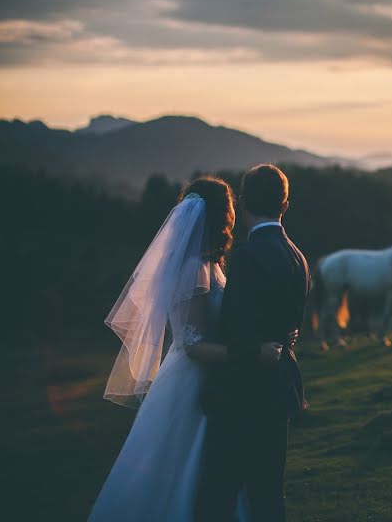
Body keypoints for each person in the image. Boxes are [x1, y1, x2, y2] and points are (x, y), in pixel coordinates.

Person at [88, 176, 299, 521]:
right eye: (232, 204)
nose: (237, 209)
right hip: (193, 380)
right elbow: (192, 345)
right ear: (220, 215)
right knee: (185, 467)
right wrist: (252, 353)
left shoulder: (209, 264)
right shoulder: (194, 270)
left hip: (215, 377)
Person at [195, 164, 310, 522]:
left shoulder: (247, 256)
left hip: (242, 393)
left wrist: (250, 349)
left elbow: (237, 330)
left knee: (218, 494)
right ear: (285, 206)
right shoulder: (298, 256)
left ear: (243, 203)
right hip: (279, 391)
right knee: (268, 494)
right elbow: (288, 323)